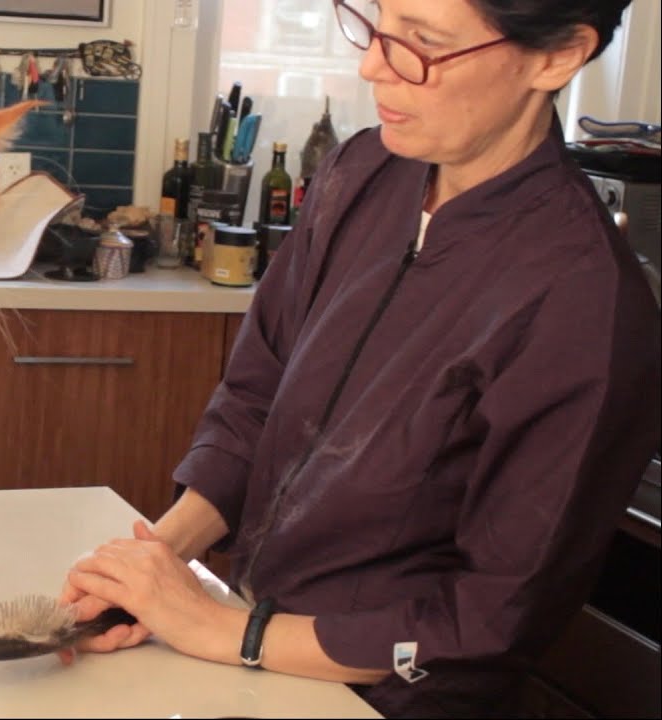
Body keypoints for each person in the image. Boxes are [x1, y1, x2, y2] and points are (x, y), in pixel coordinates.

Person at [57, 1, 660, 717]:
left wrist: (229, 631)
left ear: (556, 58)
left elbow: (489, 617)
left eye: (422, 44)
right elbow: (256, 397)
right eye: (377, 25)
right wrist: (154, 565)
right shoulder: (363, 171)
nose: (371, 64)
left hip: (385, 700)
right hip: (249, 654)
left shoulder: (585, 301)